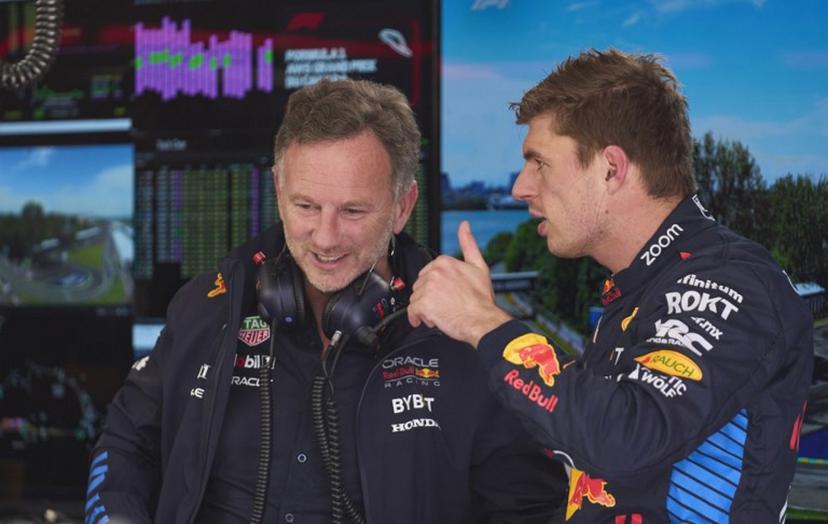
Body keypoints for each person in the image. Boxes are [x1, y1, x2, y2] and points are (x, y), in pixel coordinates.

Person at [84, 79, 566, 523]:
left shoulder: (463, 337)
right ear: (278, 190)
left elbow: (528, 507)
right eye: (306, 206)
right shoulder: (208, 304)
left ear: (403, 206)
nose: (326, 237)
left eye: (353, 210)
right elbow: (126, 441)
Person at [408, 49, 814, 522]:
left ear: (611, 169)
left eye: (539, 162)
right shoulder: (643, 292)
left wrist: (485, 323)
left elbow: (627, 440)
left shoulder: (731, 280)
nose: (520, 187)